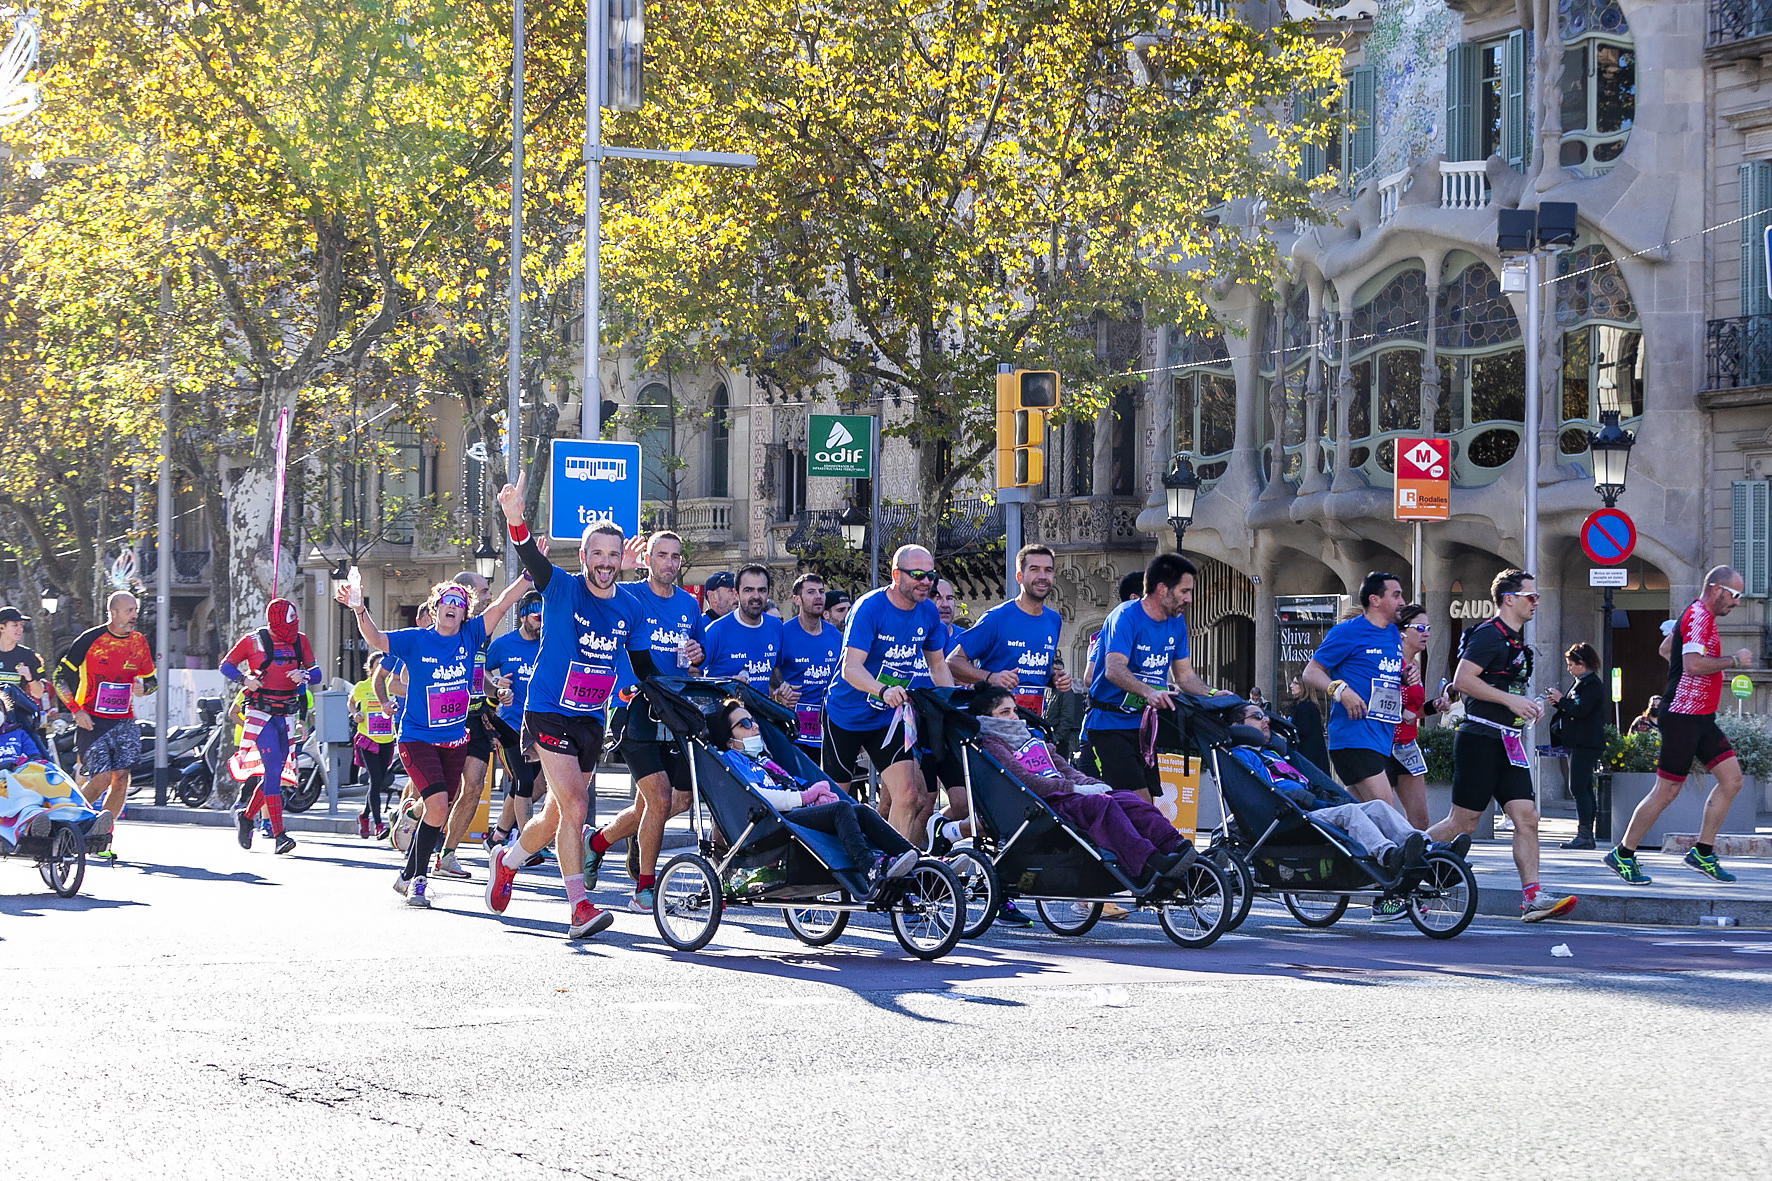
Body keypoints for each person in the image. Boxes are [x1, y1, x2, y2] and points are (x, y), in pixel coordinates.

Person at [483, 473, 659, 938]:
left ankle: (509, 859)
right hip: (546, 709)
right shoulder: (561, 587)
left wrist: (672, 695)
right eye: (595, 554)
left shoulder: (631, 609)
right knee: (578, 804)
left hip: (590, 718)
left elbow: (644, 668)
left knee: (560, 812)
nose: (604, 562)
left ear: (622, 559)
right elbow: (530, 558)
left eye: (611, 555)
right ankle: (579, 905)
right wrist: (516, 519)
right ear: (583, 557)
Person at [1426, 569, 1578, 922]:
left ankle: (1532, 897)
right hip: (1478, 739)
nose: (1536, 601)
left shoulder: (1513, 641)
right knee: (1462, 823)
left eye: (1537, 596)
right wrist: (1511, 703)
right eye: (1531, 596)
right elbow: (1464, 680)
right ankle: (1402, 860)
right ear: (1509, 599)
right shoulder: (1488, 636)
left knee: (1527, 818)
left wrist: (1527, 706)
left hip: (1508, 741)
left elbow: (1501, 689)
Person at [339, 578, 490, 910]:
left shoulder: (470, 635)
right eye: (447, 601)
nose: (453, 606)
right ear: (435, 608)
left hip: (454, 738)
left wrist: (527, 571)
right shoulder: (414, 640)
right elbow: (377, 640)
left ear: (465, 613)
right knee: (437, 806)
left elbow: (504, 604)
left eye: (460, 603)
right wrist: (359, 608)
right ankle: (419, 881)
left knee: (441, 808)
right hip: (416, 736)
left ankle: (406, 874)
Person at [1605, 566, 1757, 884]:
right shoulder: (1700, 617)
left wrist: (1686, 675)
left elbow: (1666, 650)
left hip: (1701, 718)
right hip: (1683, 718)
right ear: (1717, 589)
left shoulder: (1695, 614)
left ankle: (1702, 852)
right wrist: (1733, 660)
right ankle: (1623, 853)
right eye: (1736, 595)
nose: (1737, 603)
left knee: (1732, 781)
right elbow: (1692, 664)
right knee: (1666, 791)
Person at [585, 530, 709, 913]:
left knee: (675, 800)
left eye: (675, 556)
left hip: (672, 709)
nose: (669, 563)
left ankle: (598, 843)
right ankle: (644, 887)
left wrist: (696, 653)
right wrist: (619, 568)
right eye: (661, 555)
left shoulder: (689, 606)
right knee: (659, 798)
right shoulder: (630, 595)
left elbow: (699, 658)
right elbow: (598, 602)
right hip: (632, 706)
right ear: (648, 558)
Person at [972, 685, 1195, 887]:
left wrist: (1096, 785)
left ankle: (1178, 850)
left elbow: (1068, 770)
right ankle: (1149, 862)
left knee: (1129, 799)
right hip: (1042, 805)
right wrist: (1076, 789)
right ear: (988, 717)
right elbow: (1026, 781)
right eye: (1004, 712)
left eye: (1014, 710)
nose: (1013, 717)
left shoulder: (1033, 739)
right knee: (1100, 806)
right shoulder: (993, 744)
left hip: (1066, 795)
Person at [708, 698, 918, 897]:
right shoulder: (732, 761)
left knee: (861, 810)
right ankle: (868, 867)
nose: (755, 726)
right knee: (842, 808)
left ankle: (920, 863)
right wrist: (806, 797)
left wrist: (817, 798)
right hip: (770, 824)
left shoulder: (764, 761)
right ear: (731, 741)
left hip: (792, 816)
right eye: (745, 723)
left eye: (753, 720)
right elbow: (758, 797)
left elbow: (790, 784)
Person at [823, 545, 955, 842]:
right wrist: (882, 690)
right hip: (846, 714)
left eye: (931, 576)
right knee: (834, 803)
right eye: (918, 575)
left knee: (910, 797)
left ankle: (892, 871)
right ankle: (830, 867)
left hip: (887, 718)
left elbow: (937, 665)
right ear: (896, 574)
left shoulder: (928, 612)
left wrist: (956, 704)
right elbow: (850, 669)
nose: (926, 582)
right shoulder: (869, 608)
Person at [944, 543, 1073, 833]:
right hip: (997, 730)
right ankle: (946, 829)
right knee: (1005, 806)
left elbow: (1039, 668)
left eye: (1048, 570)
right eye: (1035, 569)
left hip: (1032, 728)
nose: (1042, 576)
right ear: (1019, 575)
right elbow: (953, 663)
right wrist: (991, 677)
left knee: (1039, 805)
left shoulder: (1053, 620)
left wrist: (1055, 679)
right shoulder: (997, 618)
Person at [1081, 553, 1219, 804]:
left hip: (1144, 728)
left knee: (1150, 803)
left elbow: (1185, 676)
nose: (1189, 599)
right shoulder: (1125, 616)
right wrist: (1149, 692)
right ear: (1162, 589)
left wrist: (1213, 694)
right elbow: (1113, 668)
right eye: (1184, 591)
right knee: (1139, 803)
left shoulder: (1176, 622)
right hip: (1109, 724)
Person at [1232, 702, 1432, 872]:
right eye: (1257, 716)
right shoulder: (1241, 757)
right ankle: (1387, 854)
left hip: (1309, 806)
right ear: (1237, 725)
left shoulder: (1273, 754)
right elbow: (1260, 791)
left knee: (1377, 807)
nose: (1266, 720)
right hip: (1289, 815)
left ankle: (1426, 846)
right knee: (1350, 813)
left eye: (1265, 715)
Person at [432, 570, 528, 880]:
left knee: (472, 787)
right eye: (483, 591)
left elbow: (478, 675)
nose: (488, 595)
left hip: (473, 719)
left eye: (487, 592)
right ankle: (412, 814)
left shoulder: (480, 634)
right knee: (442, 793)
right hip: (442, 719)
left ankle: (447, 854)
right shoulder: (443, 633)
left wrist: (495, 690)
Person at [54, 590, 157, 855]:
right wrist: (76, 711)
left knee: (121, 779)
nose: (135, 615)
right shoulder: (89, 639)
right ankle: (65, 826)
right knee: (99, 779)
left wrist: (144, 689)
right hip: (92, 719)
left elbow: (152, 681)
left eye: (136, 610)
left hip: (124, 721)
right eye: (129, 610)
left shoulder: (139, 642)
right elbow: (58, 677)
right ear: (113, 612)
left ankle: (102, 838)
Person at [220, 598, 322, 855]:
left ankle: (247, 815)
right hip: (260, 713)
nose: (292, 626)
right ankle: (279, 834)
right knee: (274, 766)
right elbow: (226, 665)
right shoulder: (252, 641)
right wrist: (245, 679)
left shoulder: (300, 641)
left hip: (285, 714)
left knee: (274, 773)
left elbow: (316, 672)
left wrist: (305, 675)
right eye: (288, 621)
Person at [1301, 572, 1406, 809]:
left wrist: (1405, 676)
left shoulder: (1391, 633)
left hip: (1381, 737)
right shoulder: (1347, 632)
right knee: (1384, 808)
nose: (1402, 602)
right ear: (1375, 600)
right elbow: (1311, 672)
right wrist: (1340, 690)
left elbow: (1382, 675)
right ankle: (1398, 847)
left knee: (1356, 814)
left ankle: (1326, 845)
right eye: (1396, 595)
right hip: (1354, 735)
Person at [483, 591, 544, 849]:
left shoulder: (550, 644)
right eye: (537, 616)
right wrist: (495, 685)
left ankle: (498, 835)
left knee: (534, 786)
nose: (542, 622)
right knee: (524, 782)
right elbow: (480, 671)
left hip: (541, 726)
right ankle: (526, 845)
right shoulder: (503, 645)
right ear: (522, 616)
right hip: (510, 726)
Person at [1387, 604, 1447, 830]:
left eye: (1429, 628)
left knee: (1420, 820)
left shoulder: (1414, 665)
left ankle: (1414, 862)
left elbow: (1413, 712)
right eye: (1420, 627)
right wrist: (1400, 711)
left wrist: (1433, 707)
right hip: (1381, 744)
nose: (1427, 634)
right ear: (1402, 631)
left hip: (1407, 746)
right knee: (1381, 817)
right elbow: (1372, 700)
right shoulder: (1389, 661)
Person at [777, 572, 843, 763]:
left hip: (828, 722)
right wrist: (780, 689)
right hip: (794, 725)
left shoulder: (834, 635)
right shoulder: (784, 633)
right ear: (796, 599)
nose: (818, 597)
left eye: (821, 592)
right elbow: (772, 669)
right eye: (811, 592)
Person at [1547, 642, 1606, 850]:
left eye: (1571, 664)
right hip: (1579, 742)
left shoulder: (1591, 684)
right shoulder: (1581, 683)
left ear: (1582, 664)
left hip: (1586, 742)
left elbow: (1581, 710)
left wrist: (1562, 700)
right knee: (1585, 787)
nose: (1569, 668)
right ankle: (1586, 833)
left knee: (1578, 787)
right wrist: (1560, 703)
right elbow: (1574, 709)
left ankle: (1585, 834)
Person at [701, 564, 784, 684]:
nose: (756, 596)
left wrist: (781, 689)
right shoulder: (715, 631)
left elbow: (775, 669)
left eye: (761, 590)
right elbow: (693, 672)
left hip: (762, 703)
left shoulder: (776, 626)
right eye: (748, 590)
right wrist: (725, 686)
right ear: (736, 593)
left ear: (768, 593)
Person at [349, 652, 397, 840]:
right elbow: (351, 702)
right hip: (367, 739)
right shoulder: (362, 687)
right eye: (376, 665)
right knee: (375, 780)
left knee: (379, 782)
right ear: (369, 669)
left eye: (383, 666)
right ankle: (378, 824)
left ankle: (364, 816)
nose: (380, 669)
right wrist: (355, 714)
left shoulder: (391, 685)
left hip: (386, 740)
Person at [1285, 675, 1330, 774]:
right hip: (1313, 756)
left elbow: (1304, 730)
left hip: (1307, 756)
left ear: (1303, 687)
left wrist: (1287, 727)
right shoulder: (1309, 705)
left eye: (1295, 683)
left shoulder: (1304, 706)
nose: (1291, 685)